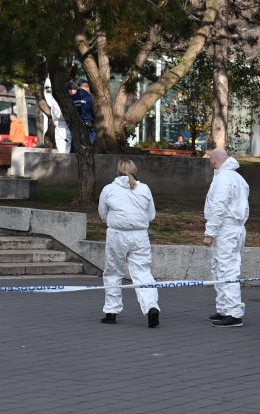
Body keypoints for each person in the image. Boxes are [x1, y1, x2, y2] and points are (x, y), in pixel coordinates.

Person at [98, 159, 160, 328]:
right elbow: (151, 214)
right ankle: (151, 307)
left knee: (112, 272)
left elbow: (103, 214)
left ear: (117, 171)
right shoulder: (144, 189)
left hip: (116, 235)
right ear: (135, 170)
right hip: (139, 236)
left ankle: (111, 312)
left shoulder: (109, 189)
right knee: (143, 272)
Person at [203, 148, 249, 327]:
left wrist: (210, 232)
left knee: (226, 269)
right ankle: (224, 308)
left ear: (214, 160)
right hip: (234, 228)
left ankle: (233, 313)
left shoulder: (223, 178)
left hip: (226, 229)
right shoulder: (238, 178)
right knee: (221, 268)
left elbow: (219, 207)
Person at [68, 79, 95, 144]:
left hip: (75, 123)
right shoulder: (89, 97)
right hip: (88, 123)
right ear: (86, 86)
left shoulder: (72, 97)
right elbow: (93, 110)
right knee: (89, 142)